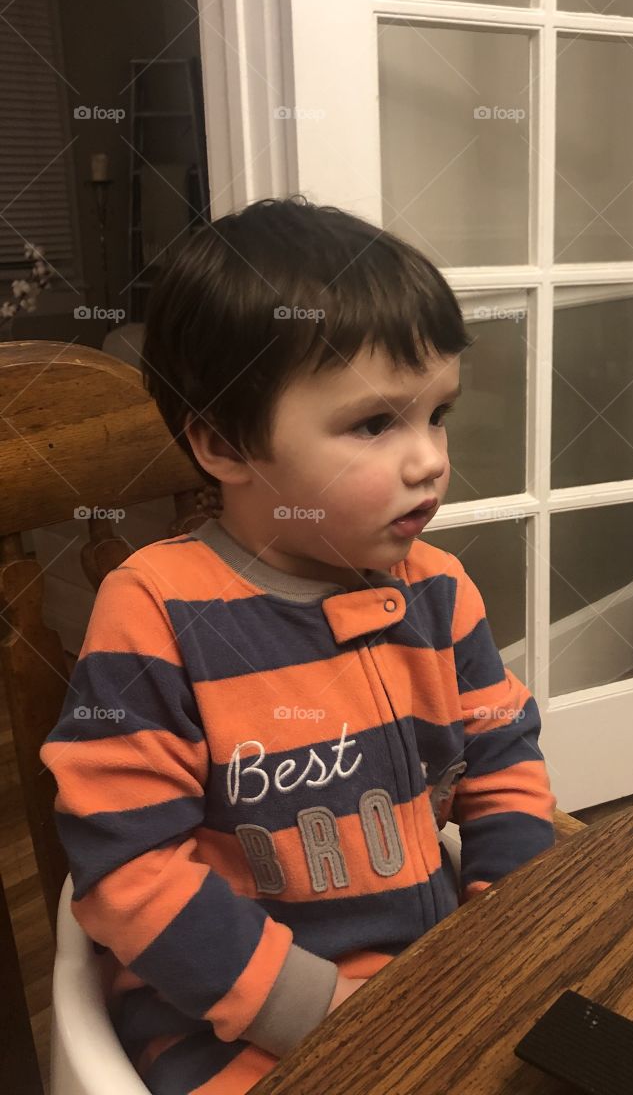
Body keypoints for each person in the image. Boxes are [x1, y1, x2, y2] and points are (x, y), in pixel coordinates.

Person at [41, 197, 557, 1095]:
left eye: (437, 413)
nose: (430, 458)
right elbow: (129, 868)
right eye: (374, 424)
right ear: (224, 443)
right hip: (229, 1021)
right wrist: (324, 1011)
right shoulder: (156, 613)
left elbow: (504, 760)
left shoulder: (440, 590)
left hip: (434, 980)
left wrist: (503, 935)